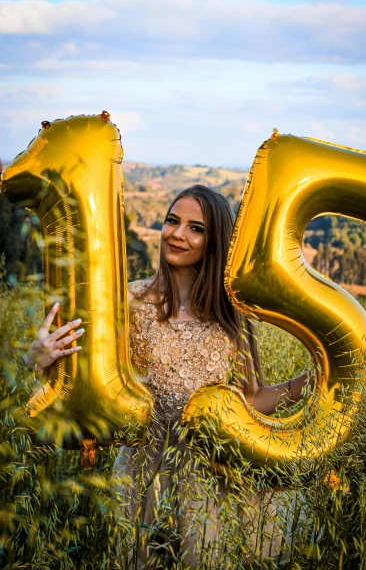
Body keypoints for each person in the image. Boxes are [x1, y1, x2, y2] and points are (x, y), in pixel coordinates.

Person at [25, 185, 312, 568]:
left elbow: (252, 399)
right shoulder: (127, 304)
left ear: (215, 242)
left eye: (196, 228)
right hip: (140, 478)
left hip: (209, 481)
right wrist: (41, 359)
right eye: (172, 221)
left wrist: (310, 382)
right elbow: (86, 391)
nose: (177, 234)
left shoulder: (232, 317)